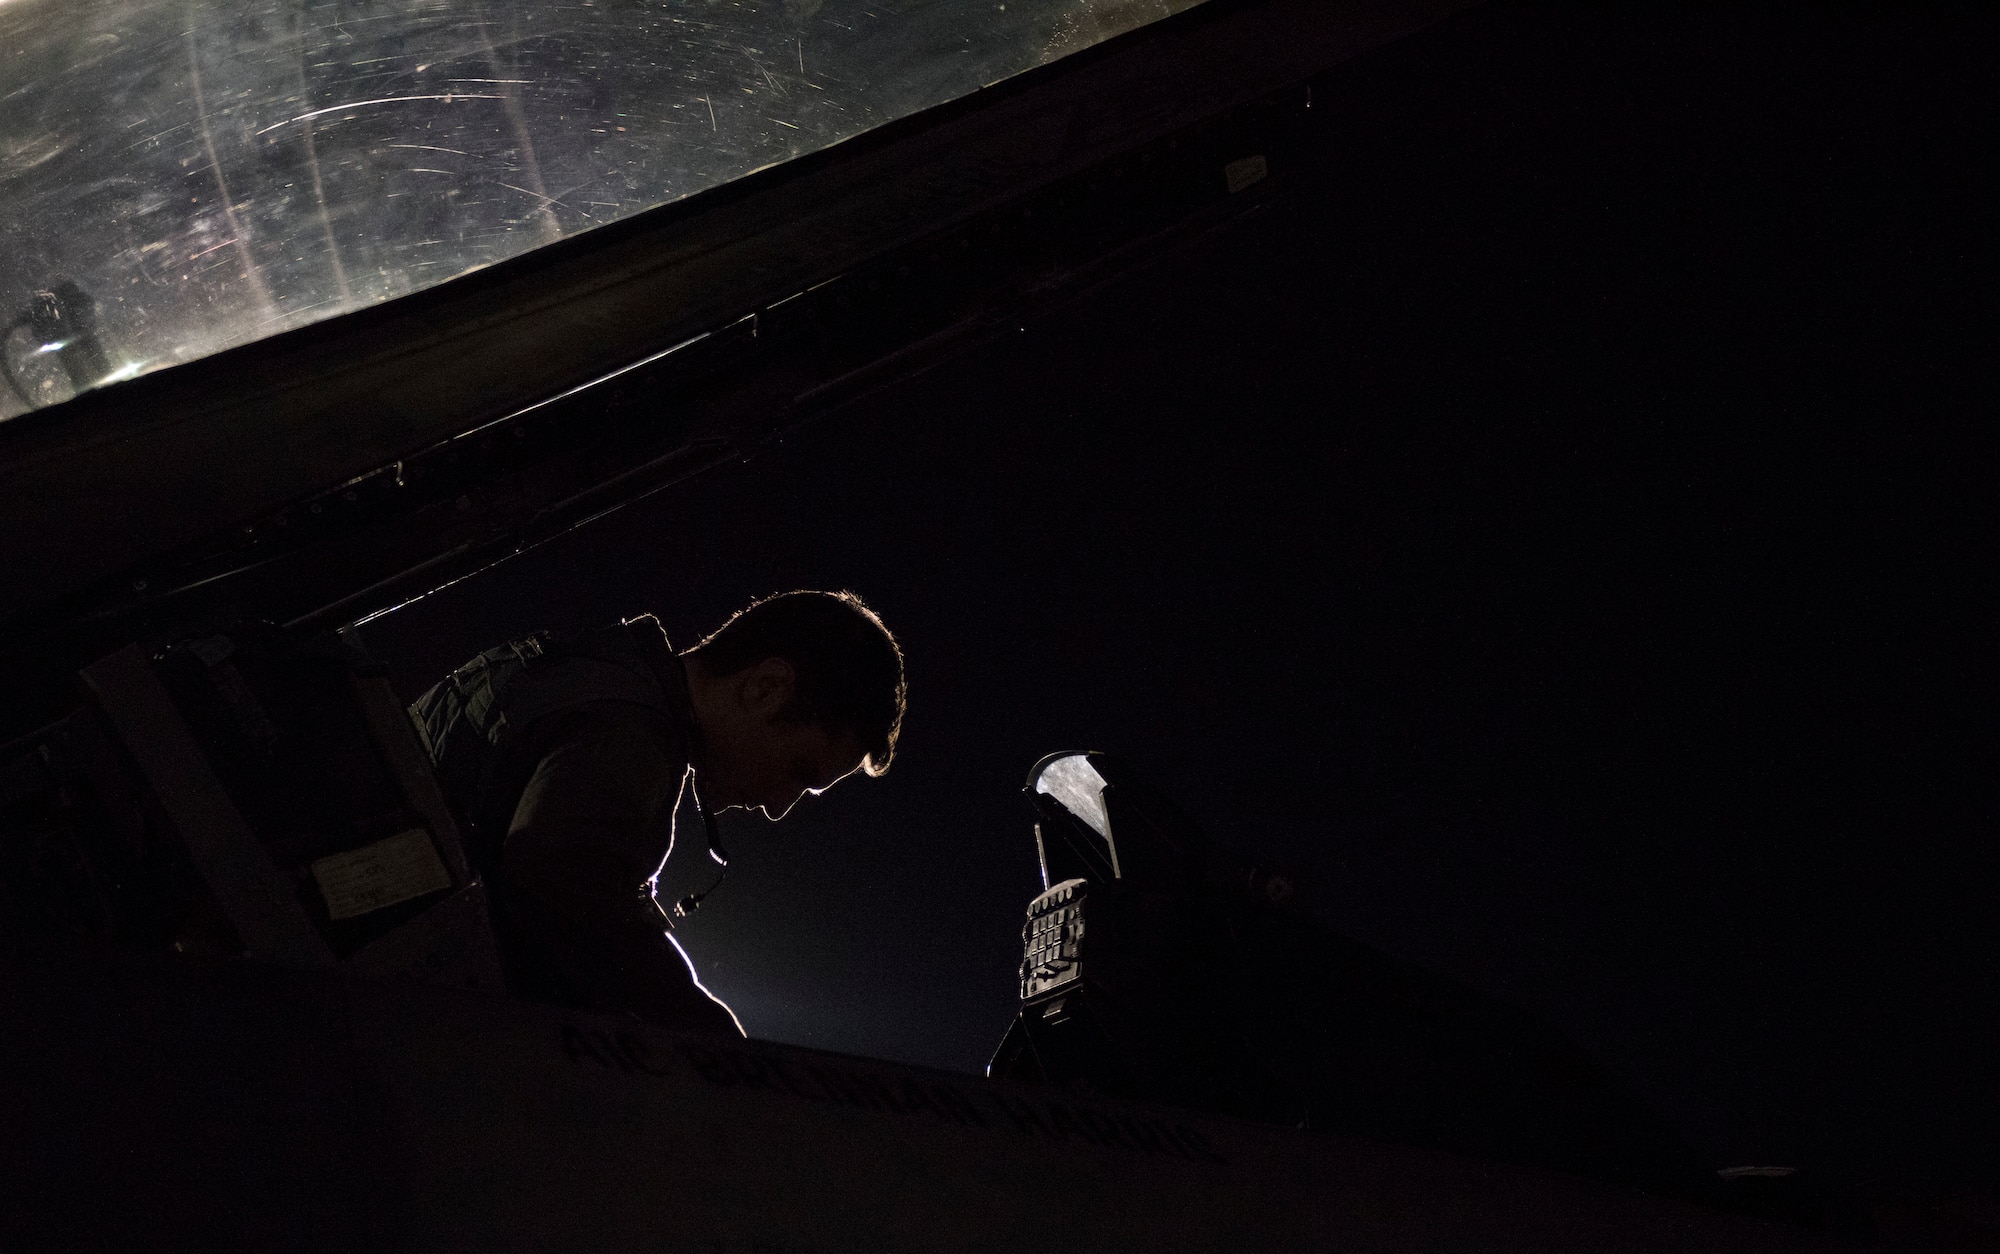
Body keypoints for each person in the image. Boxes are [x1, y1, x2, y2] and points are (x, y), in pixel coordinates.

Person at [408, 590, 904, 1034]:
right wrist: (715, 1044)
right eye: (800, 772)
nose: (778, 808)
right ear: (766, 688)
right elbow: (563, 890)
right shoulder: (628, 740)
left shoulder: (576, 671)